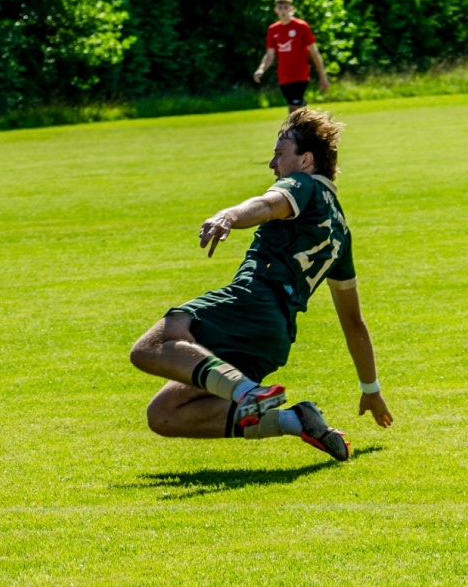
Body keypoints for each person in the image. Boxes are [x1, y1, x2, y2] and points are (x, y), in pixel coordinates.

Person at [128, 109, 392, 461]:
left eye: (279, 154)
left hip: (253, 302)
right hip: (274, 335)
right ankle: (296, 421)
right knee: (165, 414)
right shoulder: (341, 232)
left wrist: (228, 216)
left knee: (151, 346)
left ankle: (247, 391)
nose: (272, 164)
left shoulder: (304, 185)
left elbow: (267, 205)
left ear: (306, 159)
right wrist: (370, 388)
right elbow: (353, 321)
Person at [254, 0, 330, 109]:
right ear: (276, 10)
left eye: (285, 7)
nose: (283, 11)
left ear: (291, 8)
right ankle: (312, 116)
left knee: (293, 107)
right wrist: (261, 69)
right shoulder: (273, 30)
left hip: (300, 74)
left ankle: (310, 117)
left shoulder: (301, 26)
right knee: (296, 107)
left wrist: (322, 75)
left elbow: (314, 52)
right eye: (280, 8)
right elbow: (270, 55)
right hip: (284, 75)